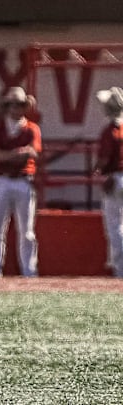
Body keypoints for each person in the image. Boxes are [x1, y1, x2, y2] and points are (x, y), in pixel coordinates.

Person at [0, 86, 42, 278]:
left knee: (27, 232)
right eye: (11, 104)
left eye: (19, 104)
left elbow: (32, 153)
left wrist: (8, 156)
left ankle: (29, 272)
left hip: (23, 181)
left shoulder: (31, 128)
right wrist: (17, 154)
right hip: (2, 181)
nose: (15, 108)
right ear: (6, 106)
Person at [93, 86, 123, 278]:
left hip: (115, 178)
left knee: (115, 227)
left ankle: (120, 270)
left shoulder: (110, 131)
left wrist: (98, 172)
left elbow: (104, 161)